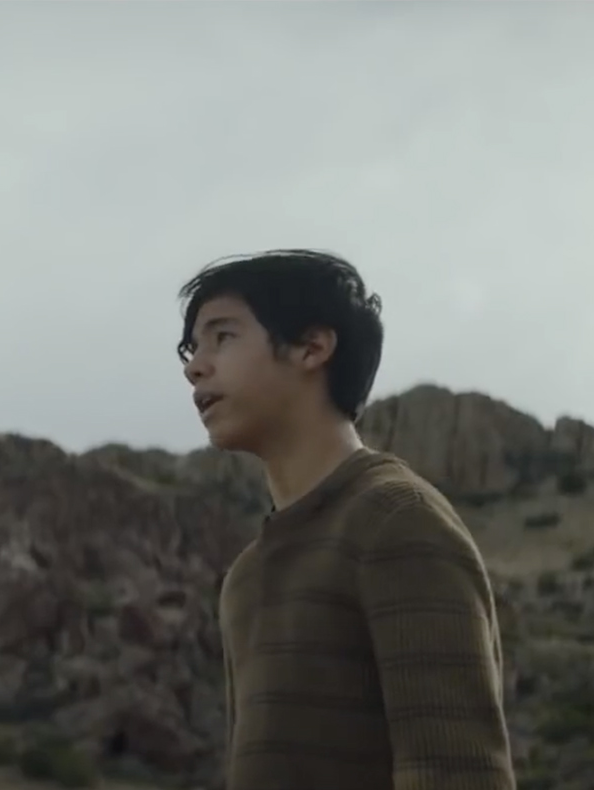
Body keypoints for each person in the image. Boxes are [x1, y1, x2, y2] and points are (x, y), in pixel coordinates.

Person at [177, 250, 515, 790]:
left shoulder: (396, 522)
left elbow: (457, 773)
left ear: (312, 347)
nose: (196, 366)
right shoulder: (246, 577)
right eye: (192, 349)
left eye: (223, 337)